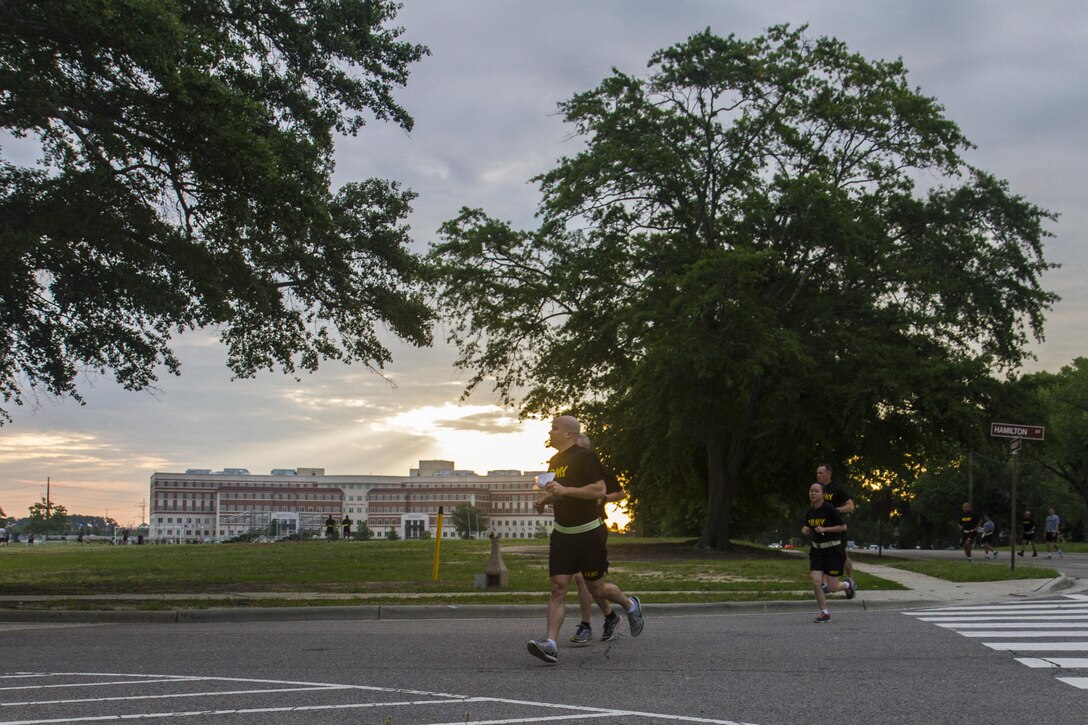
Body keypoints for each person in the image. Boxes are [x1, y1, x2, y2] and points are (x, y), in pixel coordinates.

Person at [528, 415, 644, 664]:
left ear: (568, 434)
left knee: (597, 588)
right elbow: (558, 494)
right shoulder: (555, 461)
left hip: (589, 532)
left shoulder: (585, 457)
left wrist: (565, 490)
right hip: (562, 533)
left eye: (554, 428)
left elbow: (599, 490)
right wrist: (544, 501)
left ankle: (630, 604)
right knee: (558, 587)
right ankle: (550, 644)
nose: (550, 432)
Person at [569, 433, 627, 645]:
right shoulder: (567, 471)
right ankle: (609, 617)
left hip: (594, 526)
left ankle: (590, 623)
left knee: (587, 580)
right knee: (580, 579)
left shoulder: (598, 471)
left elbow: (621, 493)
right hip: (571, 526)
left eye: (582, 451)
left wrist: (603, 497)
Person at [802, 482, 855, 623]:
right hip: (817, 551)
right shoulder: (810, 511)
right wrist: (806, 529)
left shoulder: (830, 509)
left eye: (816, 491)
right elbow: (808, 525)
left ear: (823, 495)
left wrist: (825, 529)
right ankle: (824, 613)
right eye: (811, 491)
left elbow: (843, 527)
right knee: (816, 581)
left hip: (833, 551)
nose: (813, 493)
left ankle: (847, 585)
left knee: (832, 588)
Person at [815, 463, 855, 581]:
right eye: (817, 473)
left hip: (836, 527)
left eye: (820, 473)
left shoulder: (837, 489)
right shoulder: (817, 490)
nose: (818, 475)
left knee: (842, 554)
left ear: (828, 474)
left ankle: (850, 580)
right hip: (822, 528)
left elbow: (850, 506)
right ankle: (825, 582)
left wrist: (837, 510)